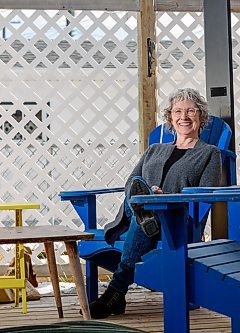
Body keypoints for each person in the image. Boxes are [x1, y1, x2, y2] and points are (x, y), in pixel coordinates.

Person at [89, 88, 222, 319]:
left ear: (201, 116)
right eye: (178, 111)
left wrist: (166, 196)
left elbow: (206, 194)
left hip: (175, 218)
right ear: (170, 117)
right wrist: (149, 192)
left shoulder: (210, 153)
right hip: (136, 210)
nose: (184, 117)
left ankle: (115, 292)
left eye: (191, 111)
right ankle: (146, 210)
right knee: (141, 192)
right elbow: (131, 182)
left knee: (147, 214)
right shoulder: (155, 149)